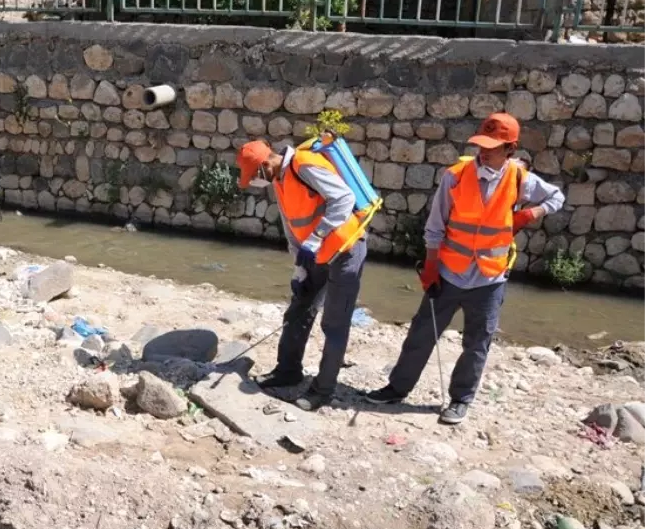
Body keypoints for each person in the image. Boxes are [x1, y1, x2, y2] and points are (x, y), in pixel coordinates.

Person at [366, 112, 565, 425]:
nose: (483, 151)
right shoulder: (456, 176)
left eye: (492, 147)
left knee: (476, 344)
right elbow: (435, 226)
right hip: (449, 274)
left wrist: (532, 213)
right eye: (481, 145)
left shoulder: (519, 179)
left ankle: (460, 400)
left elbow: (557, 196)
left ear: (510, 149)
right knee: (421, 334)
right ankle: (397, 388)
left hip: (490, 279)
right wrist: (431, 266)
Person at [235, 138, 369, 412]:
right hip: (315, 254)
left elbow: (344, 199)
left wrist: (317, 237)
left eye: (255, 175)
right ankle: (288, 371)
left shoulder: (304, 165)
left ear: (265, 165)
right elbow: (292, 228)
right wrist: (299, 268)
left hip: (346, 249)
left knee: (334, 324)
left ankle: (322, 390)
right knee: (298, 309)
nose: (256, 182)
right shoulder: (279, 180)